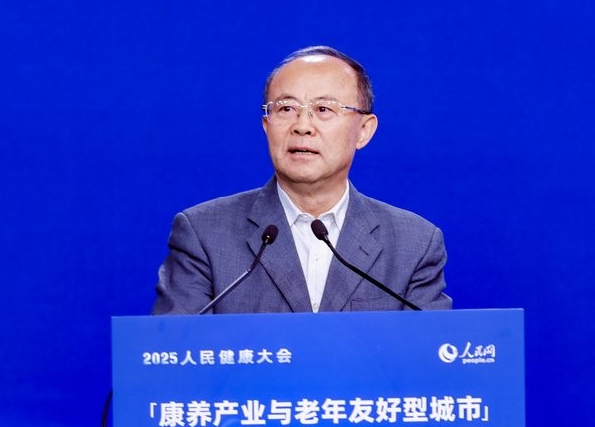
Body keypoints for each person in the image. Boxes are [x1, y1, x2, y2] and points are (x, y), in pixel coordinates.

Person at [153, 46, 451, 314]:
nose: (303, 126)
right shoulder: (204, 233)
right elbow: (175, 349)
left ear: (364, 131)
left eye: (323, 109)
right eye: (286, 109)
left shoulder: (415, 243)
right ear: (266, 125)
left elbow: (428, 352)